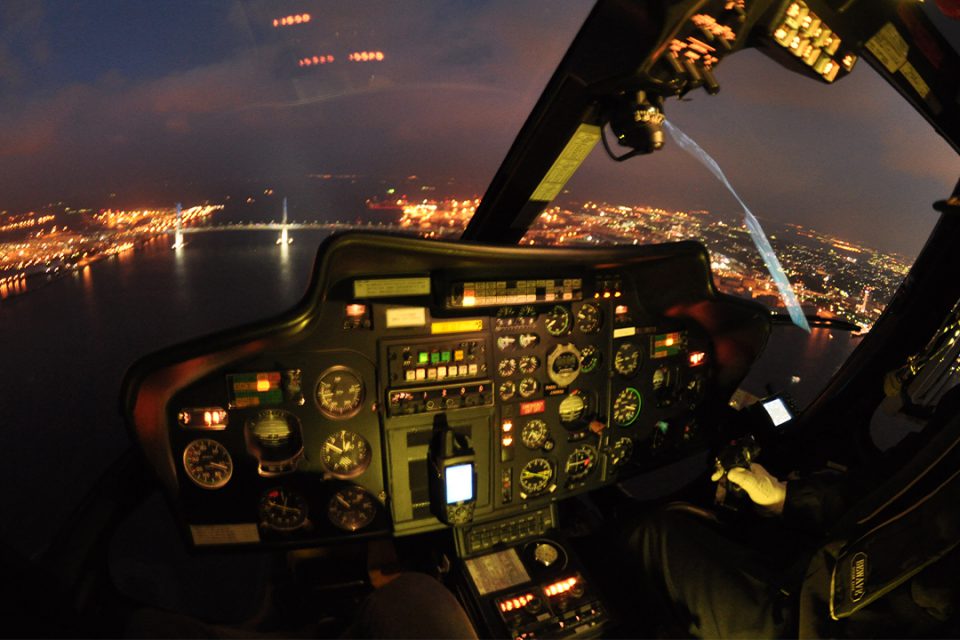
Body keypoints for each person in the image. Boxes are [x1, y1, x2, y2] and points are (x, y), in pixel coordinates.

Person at [626, 437, 960, 638]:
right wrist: (786, 498)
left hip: (815, 628)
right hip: (821, 585)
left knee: (657, 533)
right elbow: (893, 487)